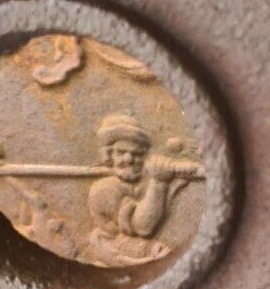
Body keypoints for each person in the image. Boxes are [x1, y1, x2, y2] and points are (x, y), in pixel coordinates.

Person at [85, 113, 202, 266]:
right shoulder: (104, 189)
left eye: (137, 154)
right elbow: (142, 227)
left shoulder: (140, 184)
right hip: (117, 254)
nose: (129, 159)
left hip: (146, 251)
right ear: (109, 155)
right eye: (121, 152)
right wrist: (159, 182)